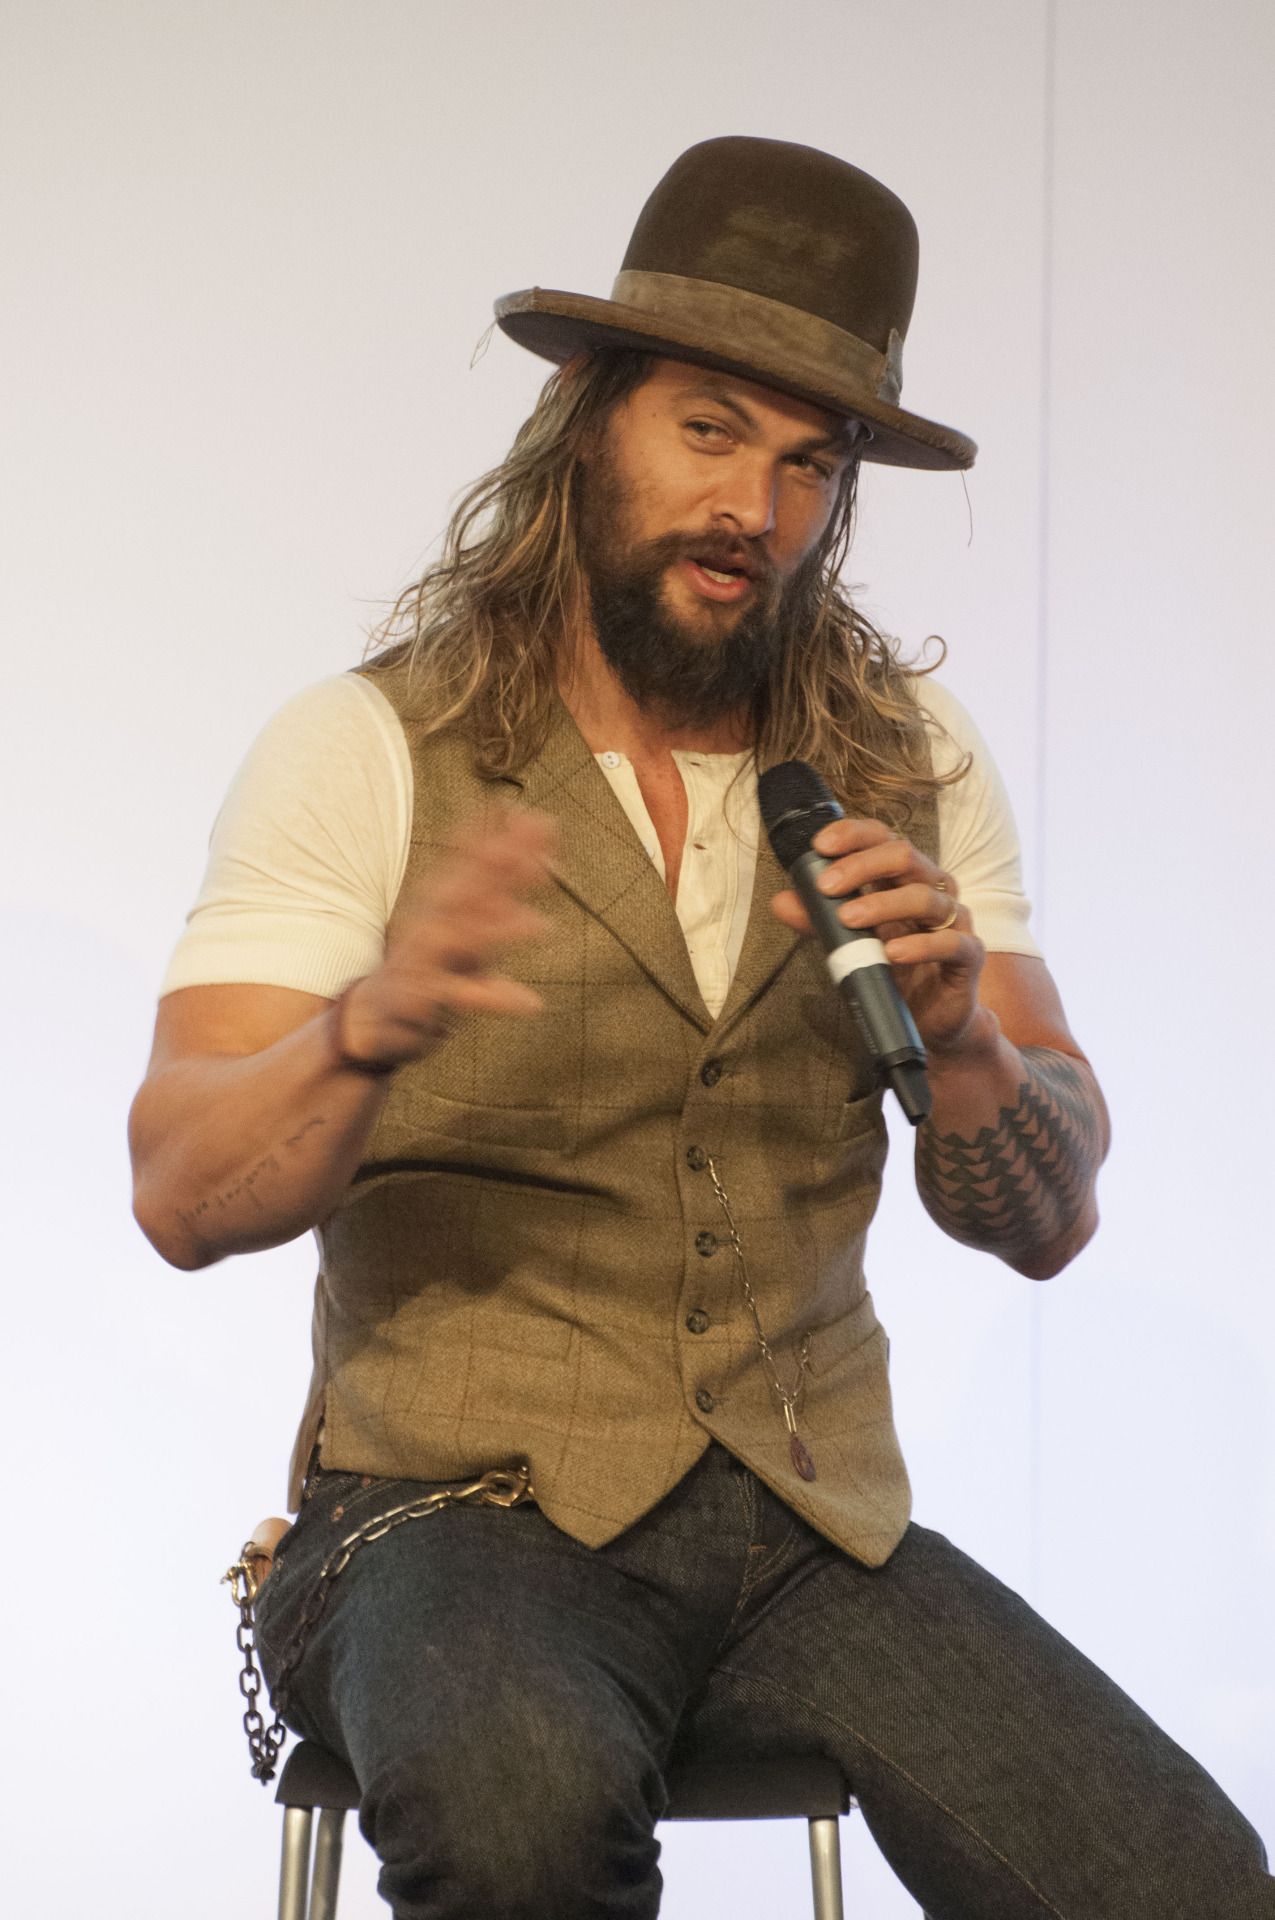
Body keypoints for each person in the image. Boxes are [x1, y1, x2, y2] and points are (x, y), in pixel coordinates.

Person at [130, 137, 1273, 1918]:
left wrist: (968, 1043)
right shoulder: (368, 748)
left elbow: (1049, 1224)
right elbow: (182, 1197)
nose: (757, 505)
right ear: (588, 419)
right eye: (711, 431)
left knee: (1178, 1881)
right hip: (451, 1514)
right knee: (520, 1821)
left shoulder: (906, 762)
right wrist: (362, 1035)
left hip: (805, 1532)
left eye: (810, 463)